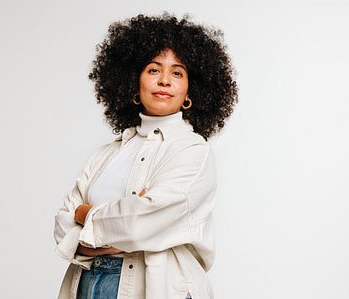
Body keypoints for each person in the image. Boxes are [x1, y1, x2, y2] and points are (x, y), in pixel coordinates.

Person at [54, 13, 238, 299]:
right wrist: (123, 228)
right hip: (87, 284)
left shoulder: (191, 151)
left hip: (158, 288)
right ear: (133, 83)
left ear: (191, 91)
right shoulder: (106, 154)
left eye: (177, 73)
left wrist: (86, 216)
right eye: (153, 70)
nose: (164, 80)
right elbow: (62, 223)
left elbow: (141, 222)